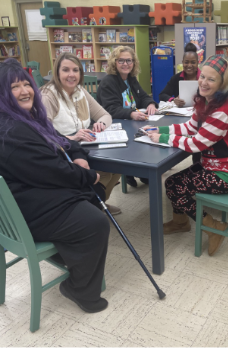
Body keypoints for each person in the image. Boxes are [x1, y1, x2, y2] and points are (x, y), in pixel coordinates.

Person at [0, 59, 110, 313]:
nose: (25, 91)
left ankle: (75, 257)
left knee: (94, 197)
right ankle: (79, 289)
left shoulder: (24, 121)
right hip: (25, 212)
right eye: (14, 87)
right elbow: (54, 171)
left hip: (28, 197)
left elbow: (59, 140)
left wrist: (78, 153)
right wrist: (89, 175)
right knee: (95, 221)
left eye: (26, 84)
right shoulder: (12, 132)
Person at [145, 55, 228, 256]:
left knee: (175, 186)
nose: (203, 82)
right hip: (216, 166)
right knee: (173, 182)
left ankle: (213, 227)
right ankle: (180, 222)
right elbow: (189, 127)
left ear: (222, 84)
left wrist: (163, 139)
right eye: (203, 76)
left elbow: (196, 143)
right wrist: (161, 131)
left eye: (211, 79)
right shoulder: (205, 102)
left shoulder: (221, 111)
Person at [41, 52, 121, 215]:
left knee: (117, 169)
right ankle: (89, 206)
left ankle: (99, 203)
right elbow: (43, 133)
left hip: (86, 146)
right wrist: (72, 137)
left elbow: (106, 115)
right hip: (62, 151)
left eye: (75, 70)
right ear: (57, 73)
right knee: (102, 173)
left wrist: (100, 124)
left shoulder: (81, 92)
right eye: (65, 70)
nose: (71, 75)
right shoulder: (48, 96)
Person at [97, 45, 158, 188]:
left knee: (150, 134)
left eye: (129, 61)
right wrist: (131, 113)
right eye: (121, 61)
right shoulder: (108, 82)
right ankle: (130, 171)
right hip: (115, 126)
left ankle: (141, 171)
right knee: (141, 139)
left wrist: (151, 104)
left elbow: (143, 96)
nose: (126, 64)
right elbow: (110, 109)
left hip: (131, 122)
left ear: (134, 63)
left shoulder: (131, 79)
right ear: (114, 62)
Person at [159, 43, 201, 107]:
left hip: (201, 112)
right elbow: (162, 95)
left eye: (193, 62)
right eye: (186, 62)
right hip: (181, 113)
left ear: (198, 63)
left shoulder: (204, 78)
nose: (189, 65)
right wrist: (173, 100)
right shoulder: (176, 78)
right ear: (182, 62)